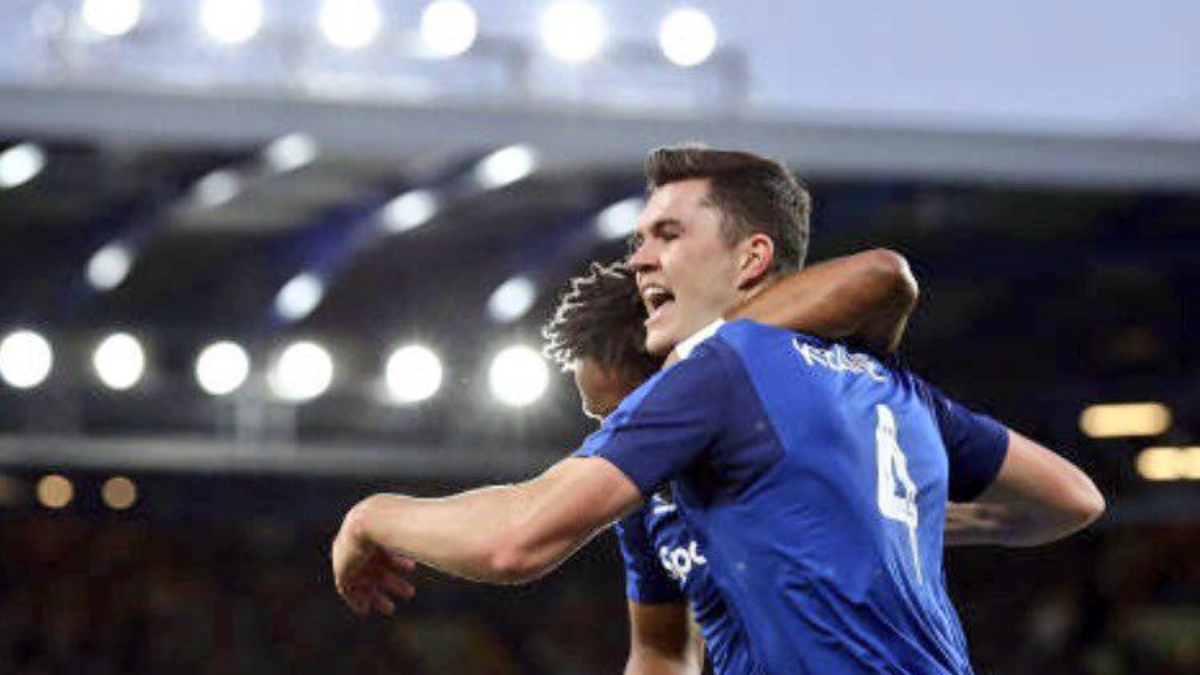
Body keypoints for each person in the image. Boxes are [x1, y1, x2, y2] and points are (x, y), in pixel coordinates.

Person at [332, 146, 1105, 674]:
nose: (640, 256)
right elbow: (1073, 499)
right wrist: (892, 516)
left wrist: (372, 516)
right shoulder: (889, 385)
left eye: (668, 234)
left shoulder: (718, 368)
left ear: (751, 258)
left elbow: (514, 541)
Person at [543, 254, 922, 675]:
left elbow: (884, 274)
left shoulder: (793, 421)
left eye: (619, 413)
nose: (611, 434)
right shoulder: (642, 498)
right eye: (600, 418)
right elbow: (661, 650)